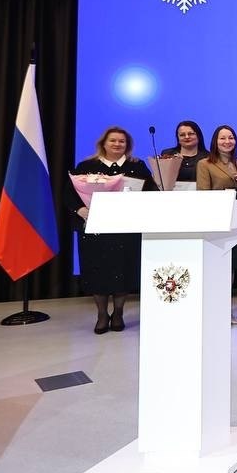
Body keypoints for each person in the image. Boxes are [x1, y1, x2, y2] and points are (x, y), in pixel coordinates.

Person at [67, 126, 157, 334]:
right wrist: (80, 209)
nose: (117, 144)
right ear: (103, 143)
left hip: (126, 228)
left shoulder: (137, 166)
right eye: (113, 140)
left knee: (123, 270)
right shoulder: (87, 166)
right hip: (95, 229)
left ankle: (118, 313)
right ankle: (101, 314)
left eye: (121, 141)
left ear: (127, 145)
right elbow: (68, 192)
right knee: (97, 271)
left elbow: (150, 191)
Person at [197, 124, 237, 325]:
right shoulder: (205, 164)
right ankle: (213, 311)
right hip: (216, 221)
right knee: (216, 267)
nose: (227, 141)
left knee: (231, 268)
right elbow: (203, 194)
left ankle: (226, 310)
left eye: (231, 138)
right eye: (222, 138)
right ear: (215, 142)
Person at [160, 119, 207, 188]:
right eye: (182, 135)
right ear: (178, 138)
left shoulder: (208, 157)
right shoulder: (167, 154)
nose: (187, 137)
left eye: (191, 134)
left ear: (198, 136)